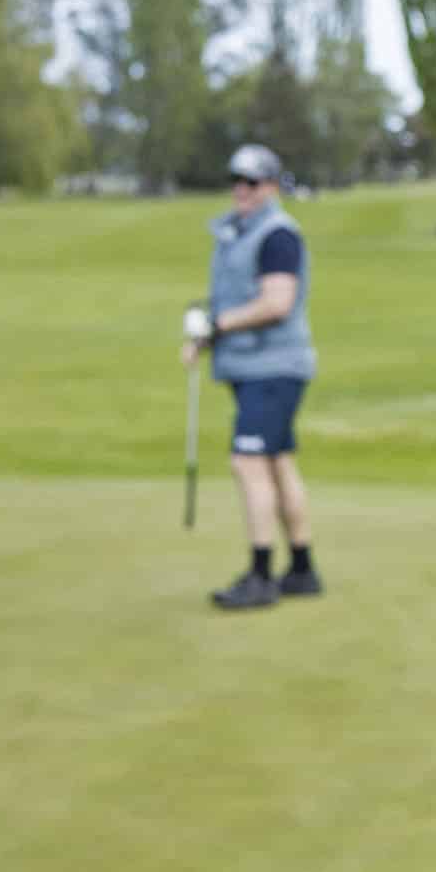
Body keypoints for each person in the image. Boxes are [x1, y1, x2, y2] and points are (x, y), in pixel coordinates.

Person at [181, 143, 323, 611]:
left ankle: (261, 576)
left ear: (271, 186)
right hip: (251, 367)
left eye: (252, 182)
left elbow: (276, 303)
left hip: (274, 367)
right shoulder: (236, 233)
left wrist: (218, 326)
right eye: (236, 181)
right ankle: (301, 569)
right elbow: (233, 300)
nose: (241, 190)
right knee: (277, 461)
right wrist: (206, 334)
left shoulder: (278, 235)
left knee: (249, 461)